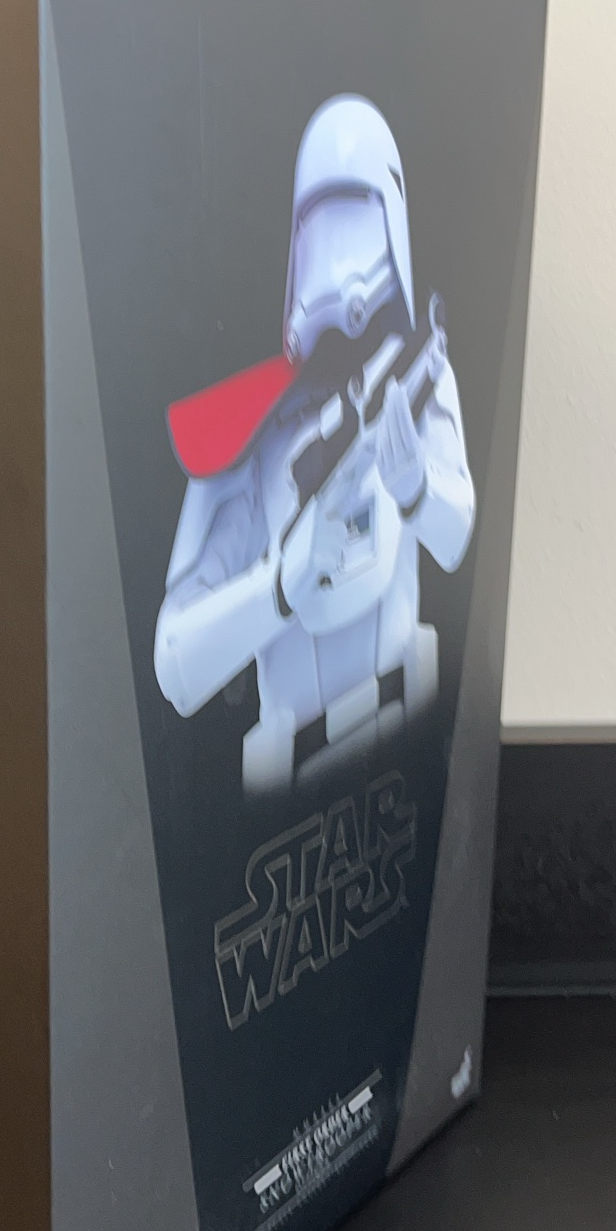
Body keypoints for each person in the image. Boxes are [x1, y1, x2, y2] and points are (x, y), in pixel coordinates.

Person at [154, 95, 475, 794]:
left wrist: (415, 489)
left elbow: (455, 539)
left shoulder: (414, 376)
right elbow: (175, 663)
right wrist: (277, 586)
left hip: (410, 739)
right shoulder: (252, 433)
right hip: (288, 791)